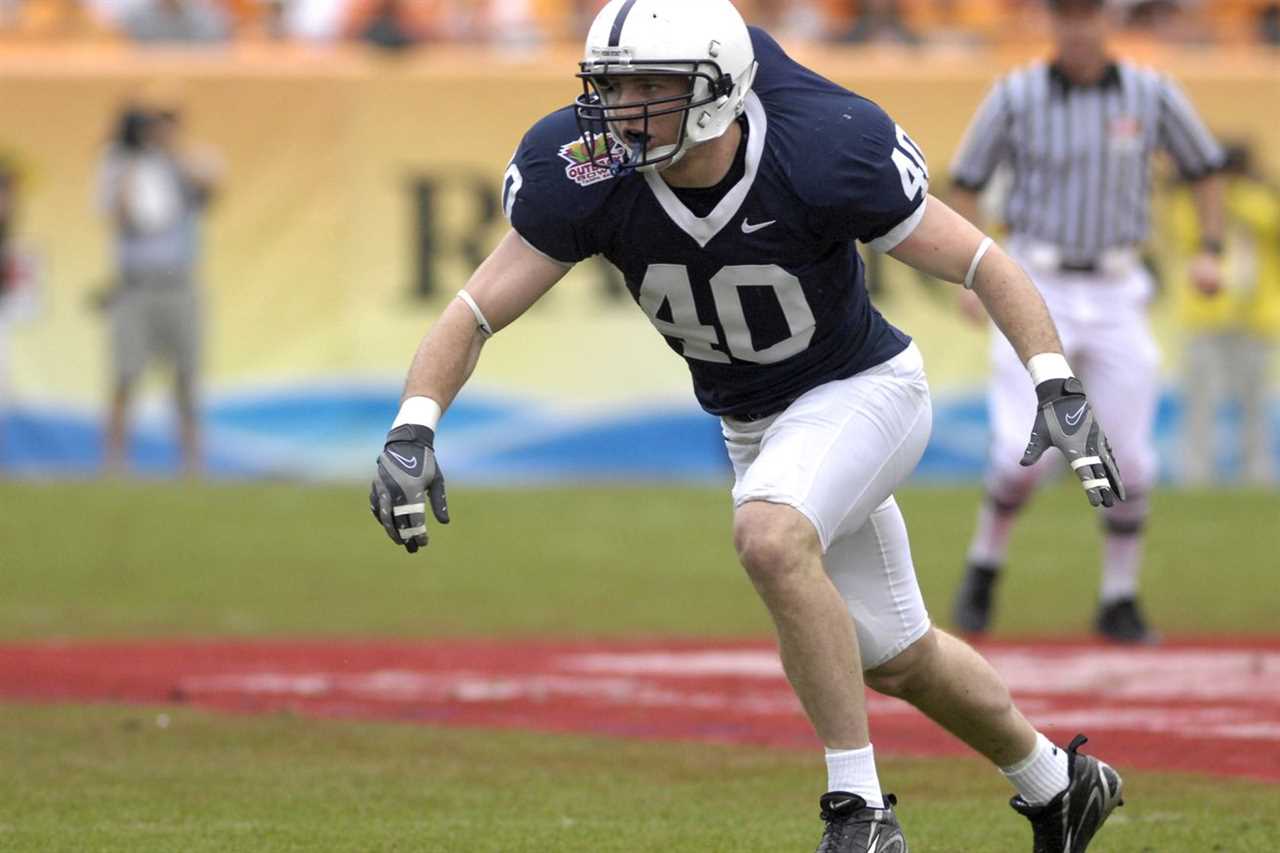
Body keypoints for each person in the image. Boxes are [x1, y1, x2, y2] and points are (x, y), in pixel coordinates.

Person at [370, 1, 1126, 850]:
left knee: (769, 536)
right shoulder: (586, 169)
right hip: (754, 423)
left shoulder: (822, 145)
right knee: (895, 655)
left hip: (865, 388)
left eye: (653, 86)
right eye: (614, 87)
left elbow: (983, 260)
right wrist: (414, 423)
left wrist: (1053, 378)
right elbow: (475, 310)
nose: (625, 111)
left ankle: (860, 809)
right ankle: (1058, 783)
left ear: (720, 89)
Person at [948, 0, 1225, 644]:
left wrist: (1210, 249)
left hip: (1118, 282)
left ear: (1109, 20)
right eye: (1068, 14)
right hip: (1034, 280)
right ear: (1053, 22)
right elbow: (965, 181)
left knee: (1127, 458)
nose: (1080, 27)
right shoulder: (1014, 95)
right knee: (1023, 458)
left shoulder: (1150, 92)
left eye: (1090, 13)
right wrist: (968, 269)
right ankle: (985, 566)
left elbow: (1205, 167)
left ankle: (1119, 597)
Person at [98, 102, 221, 476]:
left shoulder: (187, 161)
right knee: (125, 374)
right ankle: (115, 465)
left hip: (179, 283)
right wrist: (132, 158)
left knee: (187, 377)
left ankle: (192, 465)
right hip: (135, 284)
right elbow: (120, 214)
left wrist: (171, 153)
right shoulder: (116, 163)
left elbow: (212, 189)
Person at [1166, 142, 1280, 485]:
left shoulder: (1259, 200)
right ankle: (1194, 475)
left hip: (1254, 320)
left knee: (1254, 404)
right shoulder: (1189, 205)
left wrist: (1230, 192)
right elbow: (1186, 233)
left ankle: (1256, 475)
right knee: (1199, 403)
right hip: (1206, 319)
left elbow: (1267, 220)